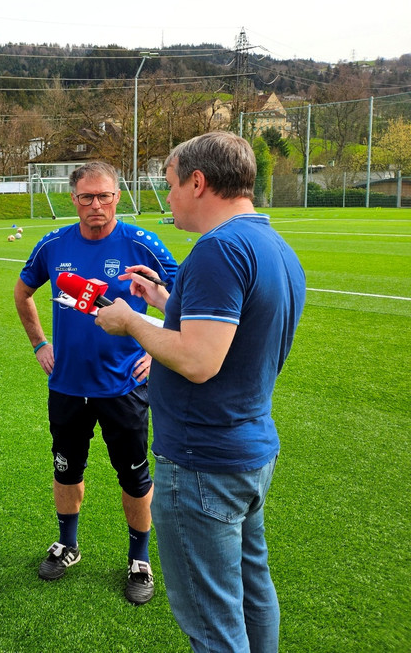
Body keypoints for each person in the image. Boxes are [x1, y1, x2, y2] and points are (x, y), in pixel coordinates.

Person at [94, 132, 305, 651]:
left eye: (170, 186)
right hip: (248, 451)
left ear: (198, 181)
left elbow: (199, 359)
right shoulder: (272, 244)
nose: (167, 198)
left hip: (203, 462)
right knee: (253, 592)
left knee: (212, 623)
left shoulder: (219, 249)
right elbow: (235, 336)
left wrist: (132, 321)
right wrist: (166, 299)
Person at [13, 161, 178, 605]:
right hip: (67, 384)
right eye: (87, 197)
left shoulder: (142, 243)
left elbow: (183, 302)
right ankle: (68, 545)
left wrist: (155, 351)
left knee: (134, 475)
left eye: (104, 196)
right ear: (74, 199)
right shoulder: (53, 245)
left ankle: (139, 559)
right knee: (66, 468)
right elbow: (22, 292)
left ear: (118, 196)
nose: (96, 205)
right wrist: (39, 344)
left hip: (124, 386)